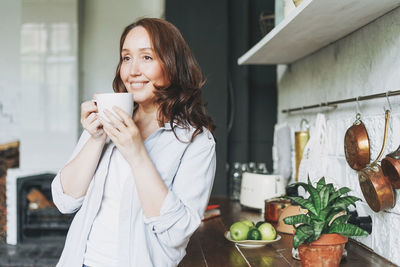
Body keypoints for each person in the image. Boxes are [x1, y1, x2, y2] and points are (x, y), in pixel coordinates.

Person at [51, 17, 216, 267]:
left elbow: (177, 233)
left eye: (147, 57)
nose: (132, 70)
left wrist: (137, 153)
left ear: (172, 64)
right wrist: (96, 138)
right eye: (126, 58)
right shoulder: (108, 119)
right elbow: (64, 200)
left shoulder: (196, 141)